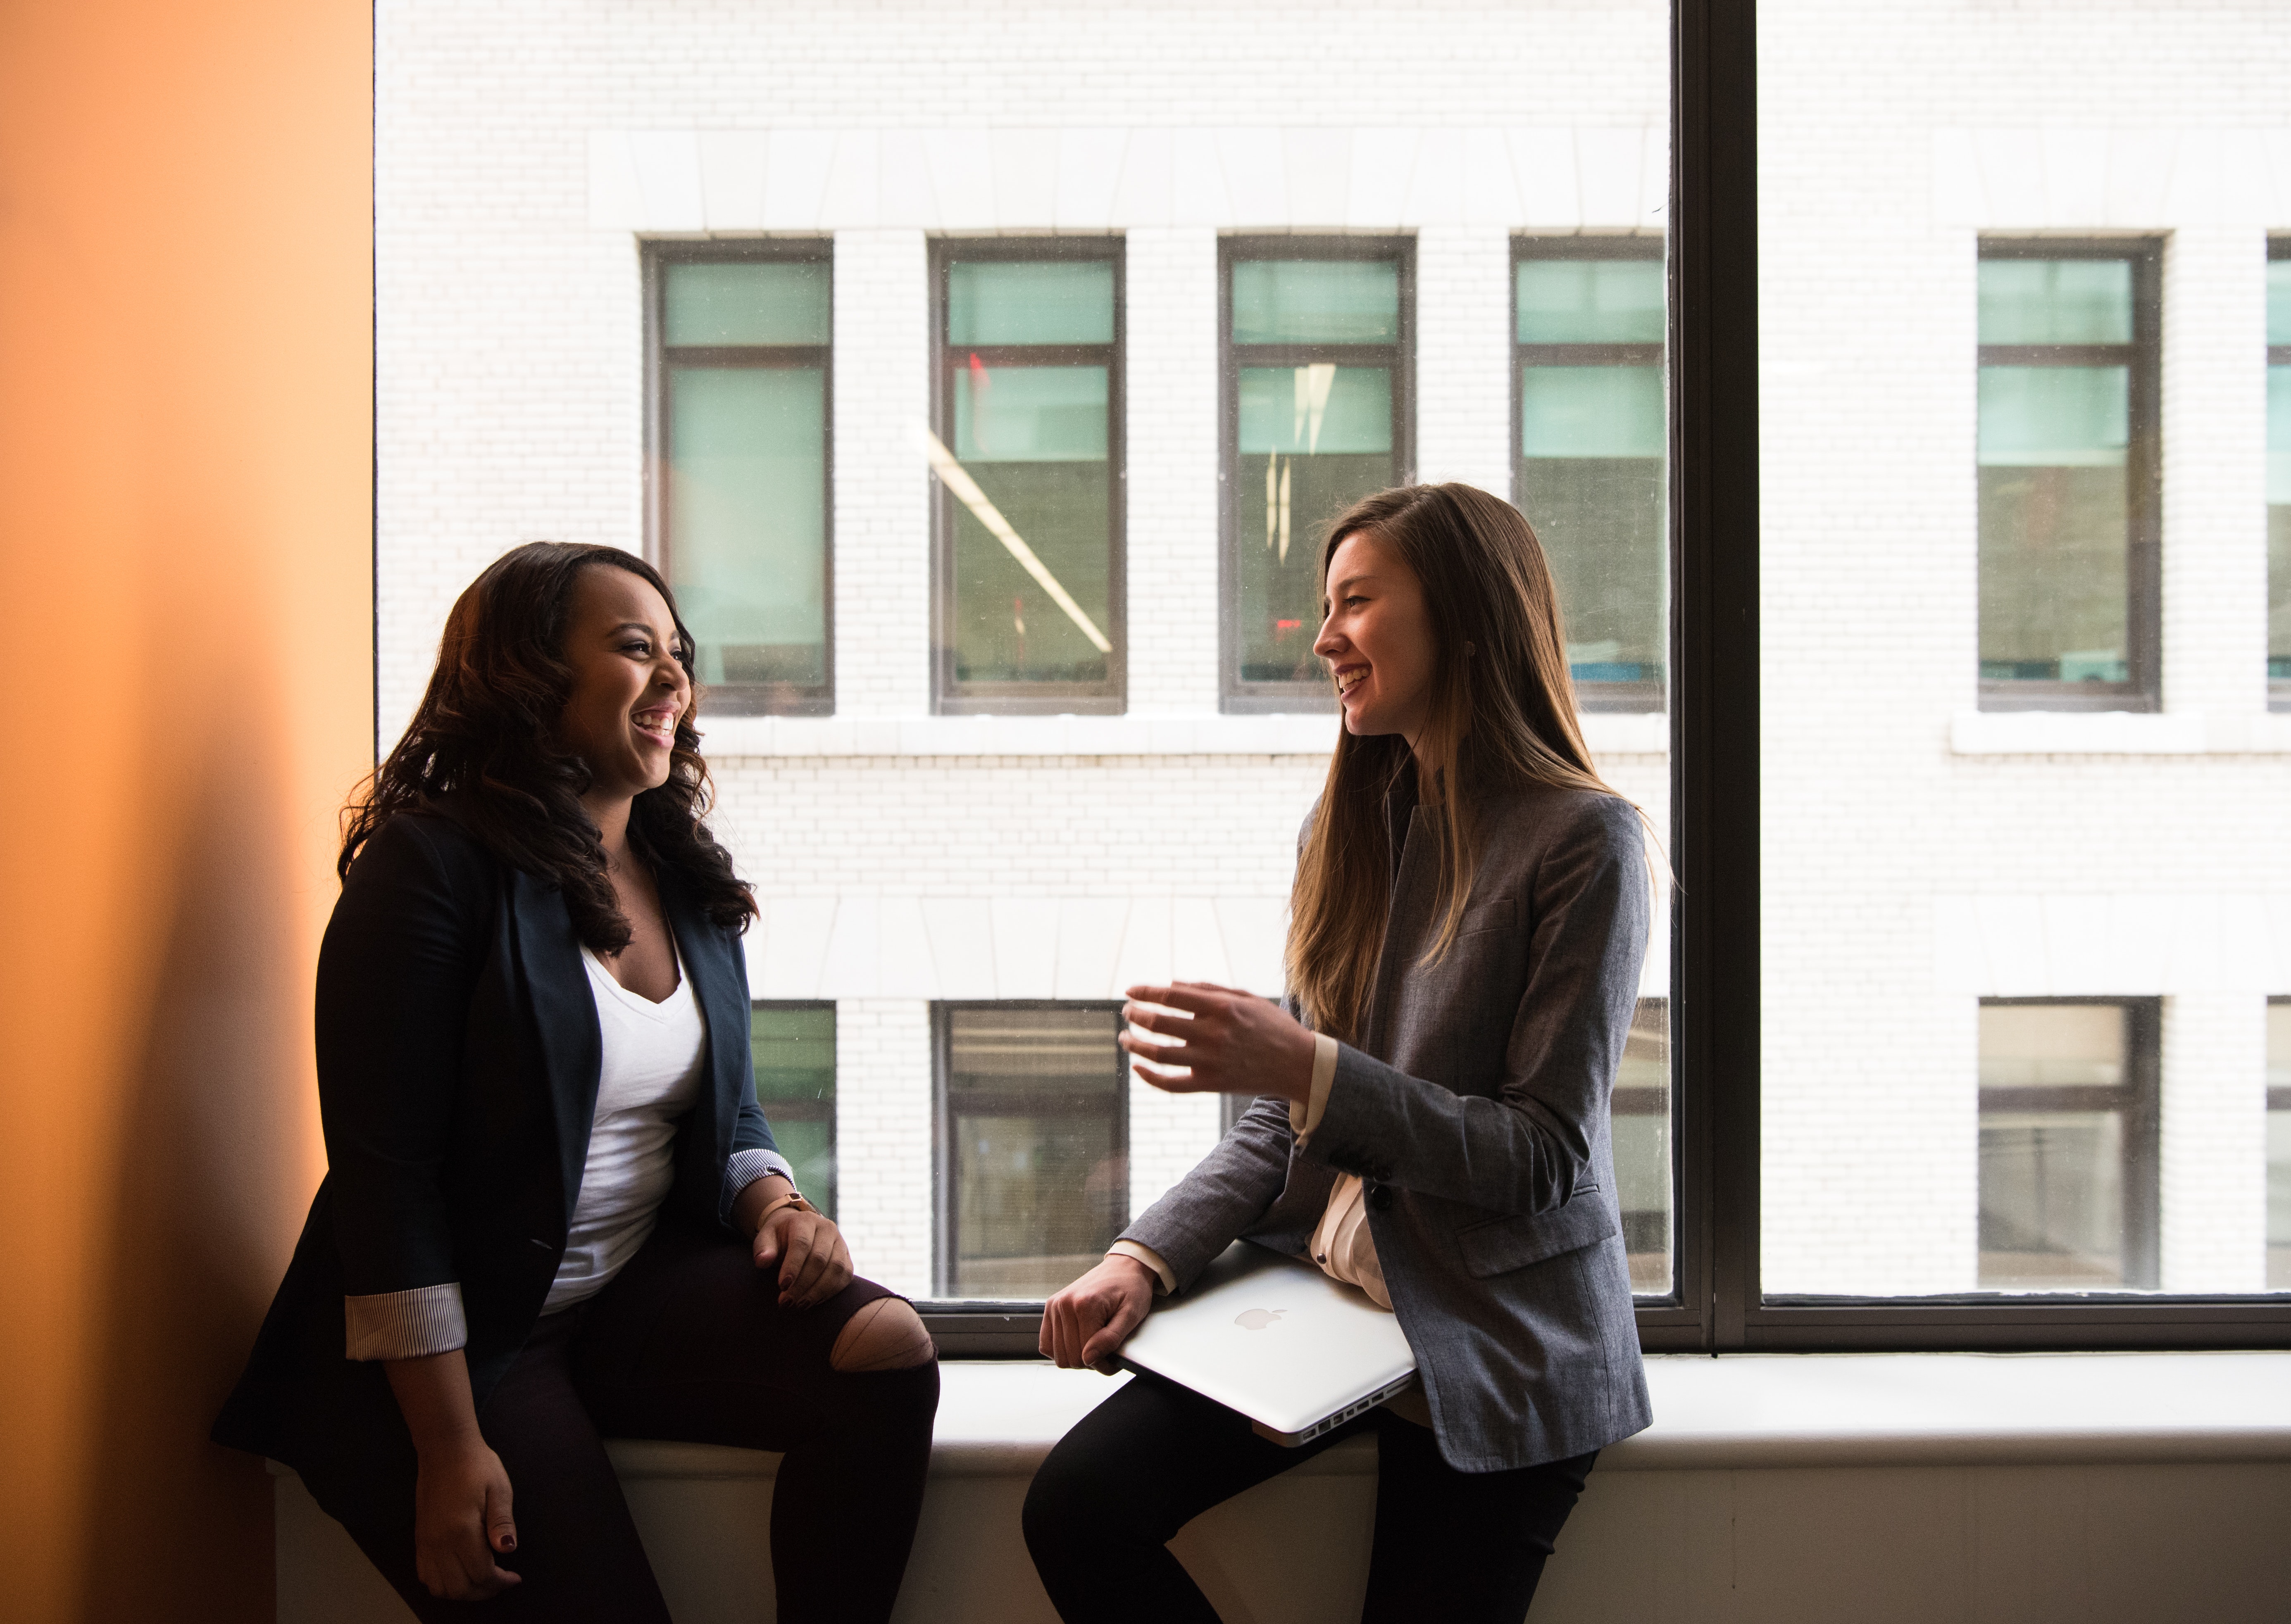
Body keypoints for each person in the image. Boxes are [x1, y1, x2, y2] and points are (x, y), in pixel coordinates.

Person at [214, 542, 938, 1623]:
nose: (674, 681)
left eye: (681, 656)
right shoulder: (430, 866)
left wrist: (778, 1202)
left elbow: (724, 1107)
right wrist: (449, 1448)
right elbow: (387, 1178)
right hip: (454, 1352)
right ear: (526, 674)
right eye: (635, 649)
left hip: (612, 1295)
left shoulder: (681, 873)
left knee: (887, 1351)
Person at [1022, 483, 1655, 1624]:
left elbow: (1543, 1155)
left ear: (1464, 617)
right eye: (1326, 607)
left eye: (1355, 603)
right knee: (1076, 1505)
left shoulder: (1583, 839)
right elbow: (1283, 1120)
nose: (1323, 639)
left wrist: (1306, 1069)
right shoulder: (1348, 827)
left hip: (1496, 1333)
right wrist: (1143, 1257)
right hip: (1335, 1304)